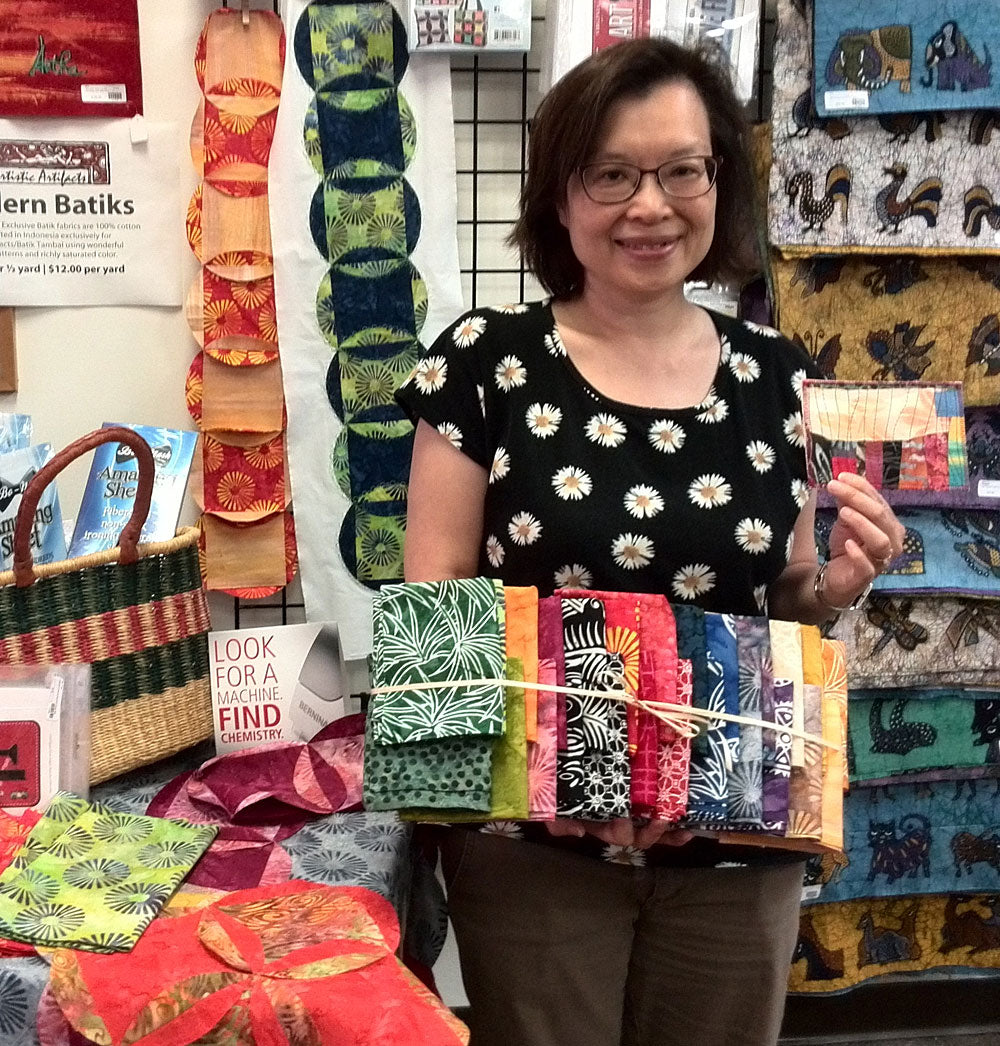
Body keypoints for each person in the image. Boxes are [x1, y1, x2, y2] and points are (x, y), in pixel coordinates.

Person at [395, 36, 904, 1046]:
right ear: (560, 193)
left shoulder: (772, 373)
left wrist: (838, 583)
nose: (650, 205)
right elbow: (437, 599)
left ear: (719, 179)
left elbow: (787, 595)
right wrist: (570, 779)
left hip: (733, 838)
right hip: (536, 847)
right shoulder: (486, 363)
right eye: (612, 174)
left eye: (682, 169)